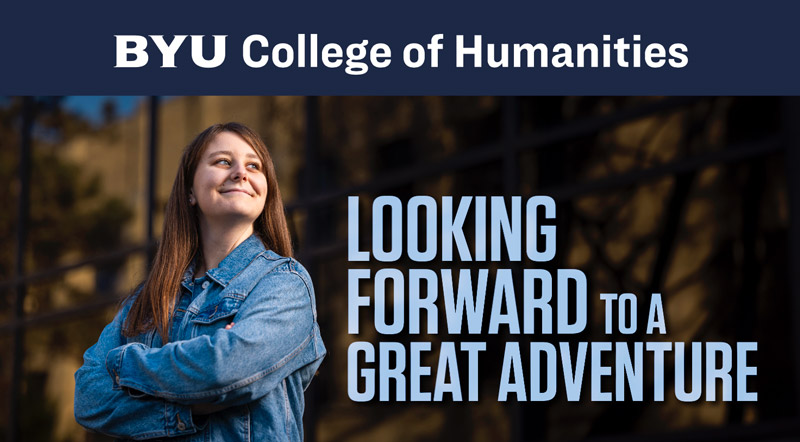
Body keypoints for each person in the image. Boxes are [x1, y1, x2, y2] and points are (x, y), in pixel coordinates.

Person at [74, 122, 326, 441]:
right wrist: (188, 408)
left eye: (254, 165)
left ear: (266, 190)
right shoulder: (150, 297)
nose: (240, 172)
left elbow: (225, 370)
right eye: (223, 161)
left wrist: (123, 363)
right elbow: (88, 398)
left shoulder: (285, 284)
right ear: (191, 191)